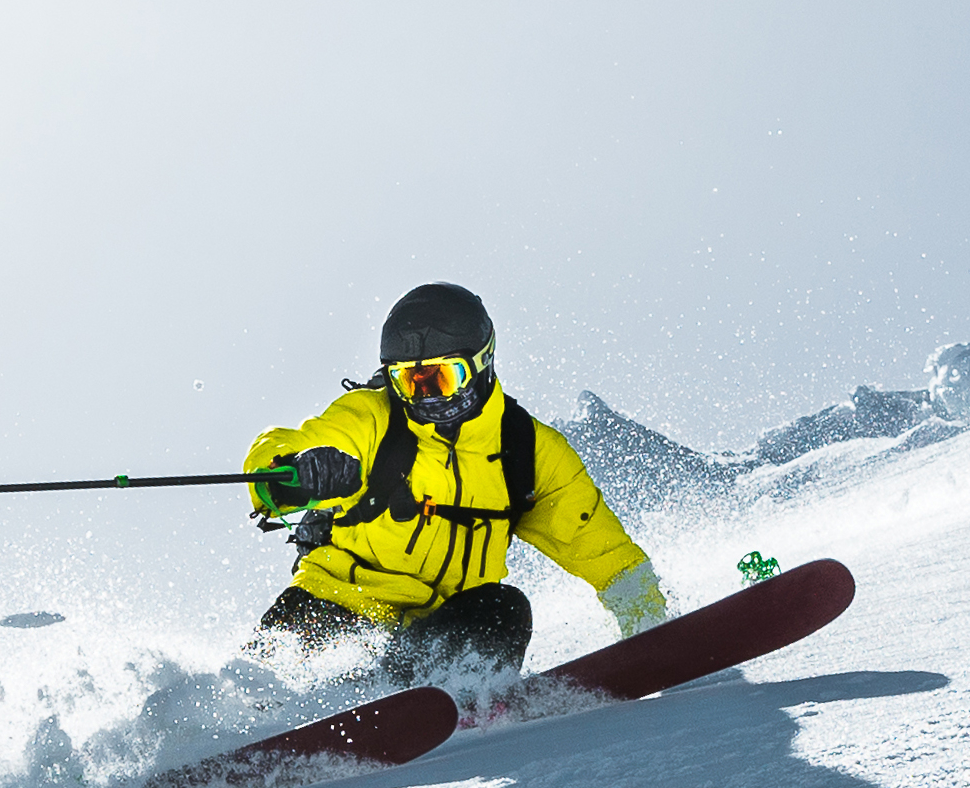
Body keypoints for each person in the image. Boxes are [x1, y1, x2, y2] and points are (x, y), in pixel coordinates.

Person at [243, 282, 671, 682]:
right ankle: (245, 724)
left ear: (482, 362)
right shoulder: (371, 419)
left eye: (443, 376)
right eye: (408, 379)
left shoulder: (525, 451)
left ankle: (435, 703)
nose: (426, 394)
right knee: (273, 671)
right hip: (333, 605)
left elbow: (603, 552)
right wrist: (296, 476)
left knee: (504, 610)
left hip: (437, 636)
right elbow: (279, 451)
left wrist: (650, 629)